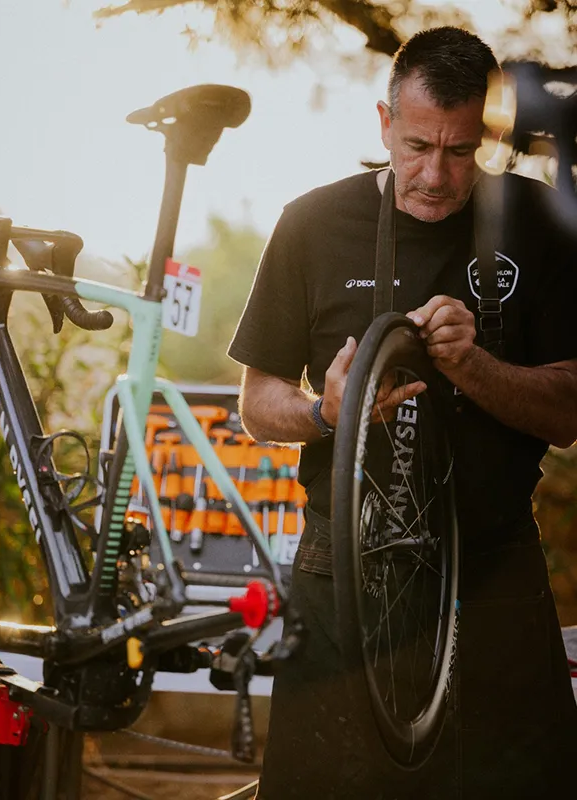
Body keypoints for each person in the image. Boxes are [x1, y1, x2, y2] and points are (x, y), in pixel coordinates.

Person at [228, 26, 577, 800]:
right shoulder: (312, 223)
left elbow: (566, 412)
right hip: (341, 566)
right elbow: (258, 404)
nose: (435, 175)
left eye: (460, 151)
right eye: (417, 145)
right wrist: (328, 412)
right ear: (384, 123)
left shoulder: (537, 221)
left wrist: (474, 365)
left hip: (492, 563)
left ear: (486, 132)